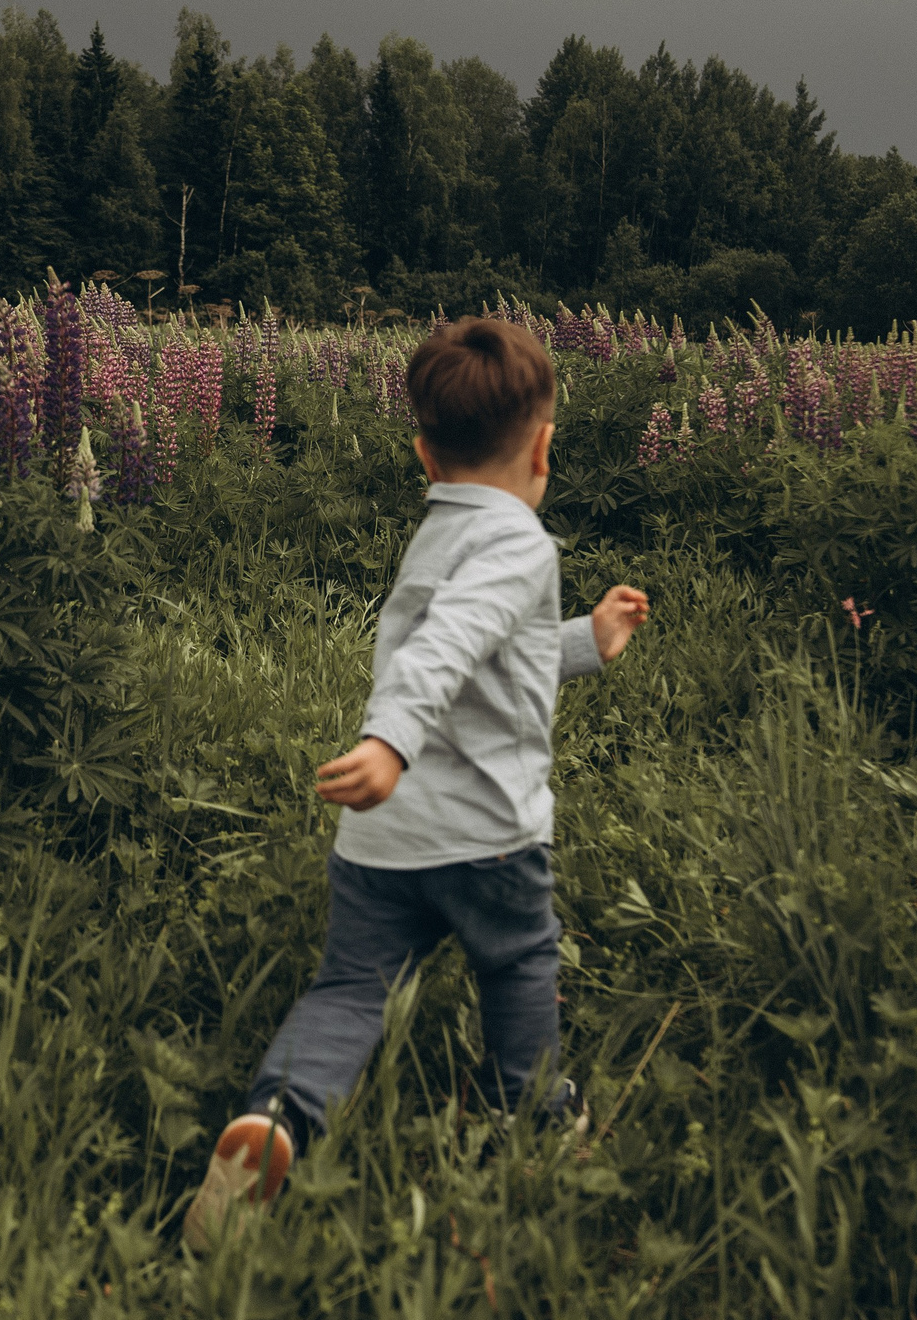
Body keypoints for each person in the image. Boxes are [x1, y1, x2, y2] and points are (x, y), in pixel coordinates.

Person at [183, 317, 651, 1252]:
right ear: (546, 447)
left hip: (382, 843)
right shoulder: (521, 542)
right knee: (519, 964)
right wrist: (391, 742)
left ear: (422, 453)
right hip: (489, 837)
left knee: (351, 990)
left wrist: (582, 642)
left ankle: (277, 1119)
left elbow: (485, 646)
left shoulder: (436, 534)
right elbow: (445, 651)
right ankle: (535, 1119)